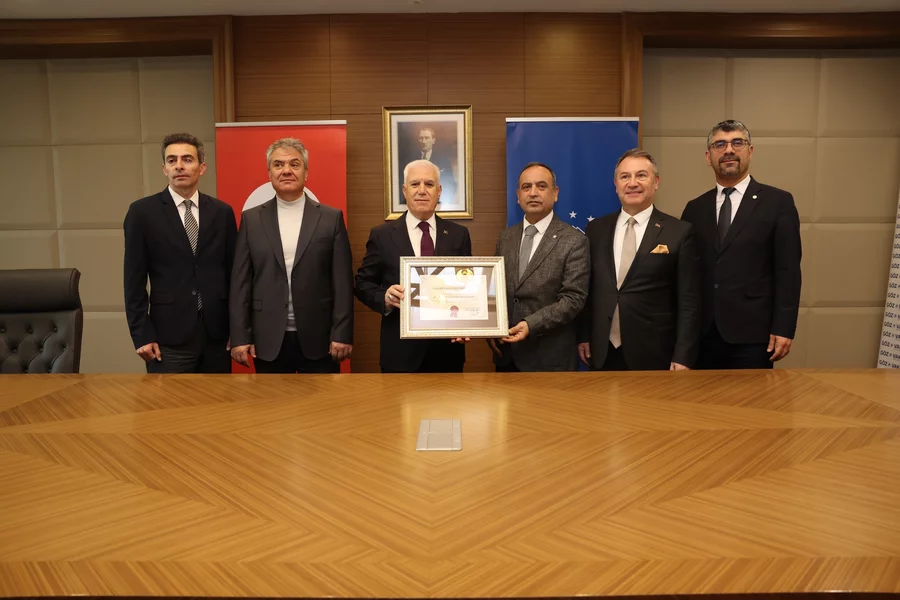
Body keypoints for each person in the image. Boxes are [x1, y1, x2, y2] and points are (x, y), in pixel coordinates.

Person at [681, 120, 801, 369]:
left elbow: (788, 271)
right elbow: (688, 275)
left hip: (754, 337)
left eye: (737, 142)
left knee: (752, 396)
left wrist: (784, 327)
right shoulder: (694, 209)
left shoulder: (778, 203)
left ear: (750, 151)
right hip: (703, 336)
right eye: (720, 145)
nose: (728, 150)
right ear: (708, 156)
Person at [229, 138, 353, 373]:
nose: (286, 170)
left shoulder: (331, 218)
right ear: (269, 173)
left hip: (320, 338)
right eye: (278, 165)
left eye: (294, 164)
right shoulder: (251, 219)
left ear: (306, 172)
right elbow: (240, 283)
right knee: (272, 399)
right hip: (267, 338)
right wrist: (240, 336)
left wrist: (342, 333)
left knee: (324, 398)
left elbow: (343, 281)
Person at [123, 132, 237, 373]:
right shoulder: (142, 213)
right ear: (164, 168)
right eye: (172, 160)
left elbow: (234, 275)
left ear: (202, 167)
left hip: (218, 336)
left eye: (187, 159)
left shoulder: (222, 213)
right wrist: (141, 334)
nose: (179, 166)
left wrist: (237, 329)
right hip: (167, 337)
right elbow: (133, 280)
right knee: (170, 399)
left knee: (219, 399)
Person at [578, 149, 701, 371]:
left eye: (641, 175)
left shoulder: (679, 232)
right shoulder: (596, 229)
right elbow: (589, 289)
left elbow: (689, 301)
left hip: (655, 352)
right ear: (616, 184)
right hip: (602, 350)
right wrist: (584, 335)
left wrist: (683, 355)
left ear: (656, 182)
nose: (632, 183)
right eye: (625, 176)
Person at [355, 159, 472, 373]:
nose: (422, 190)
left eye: (429, 184)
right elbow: (363, 283)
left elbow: (466, 286)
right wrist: (385, 298)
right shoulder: (382, 235)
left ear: (439, 191)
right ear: (404, 190)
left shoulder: (458, 234)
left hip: (447, 352)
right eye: (415, 184)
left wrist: (465, 322)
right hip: (400, 354)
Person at [491, 162, 589, 371]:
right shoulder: (505, 238)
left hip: (550, 358)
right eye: (526, 187)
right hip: (506, 356)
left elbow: (573, 299)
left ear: (555, 193)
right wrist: (489, 326)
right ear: (518, 196)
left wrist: (531, 324)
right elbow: (495, 290)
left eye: (541, 186)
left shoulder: (574, 240)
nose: (533, 193)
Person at [402, 127, 457, 205]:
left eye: (427, 138)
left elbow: (451, 184)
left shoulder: (443, 160)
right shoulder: (408, 159)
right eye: (421, 138)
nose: (423, 141)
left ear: (433, 140)